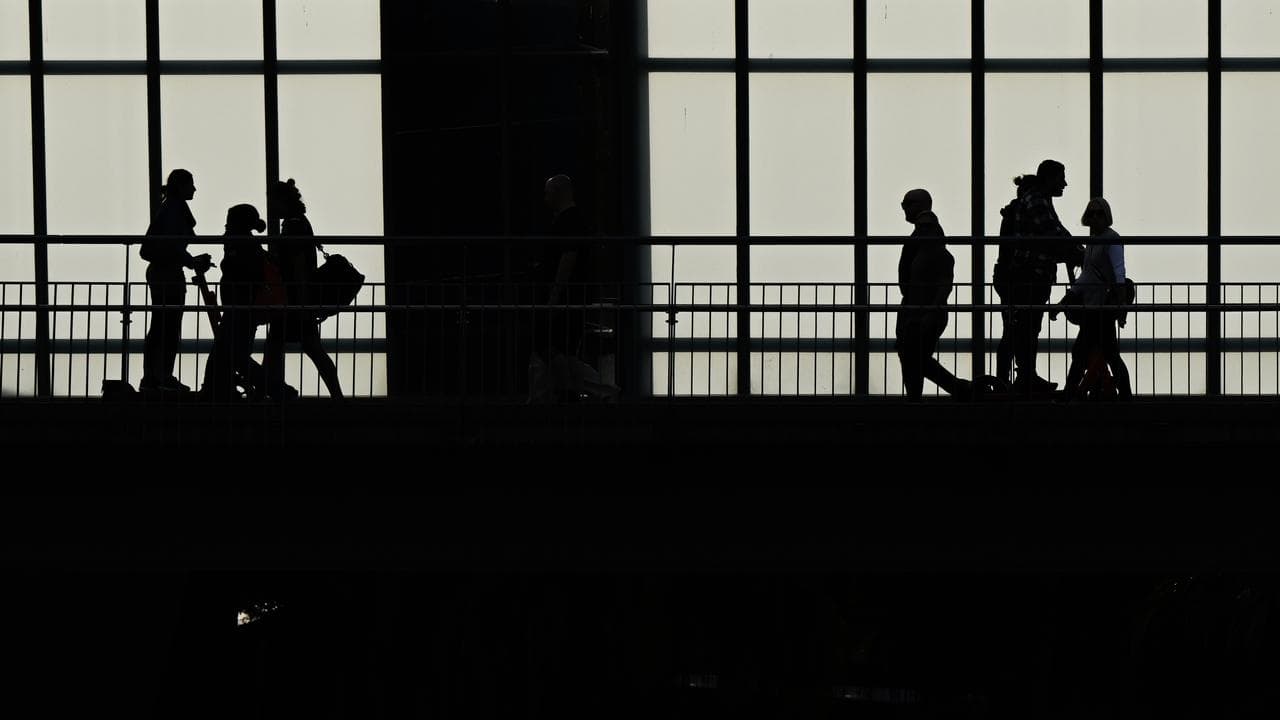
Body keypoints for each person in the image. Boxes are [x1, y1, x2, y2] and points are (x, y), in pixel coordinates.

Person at [993, 159, 1084, 394]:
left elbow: (1054, 233)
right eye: (1060, 178)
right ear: (1048, 178)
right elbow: (1053, 232)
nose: (1064, 183)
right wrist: (1080, 252)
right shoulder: (1037, 200)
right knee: (1022, 329)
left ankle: (1020, 379)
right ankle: (1018, 380)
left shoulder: (1036, 198)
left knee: (1022, 329)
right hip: (1028, 276)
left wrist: (1074, 249)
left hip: (1025, 276)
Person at [266, 179, 344, 399]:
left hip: (293, 298)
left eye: (274, 202)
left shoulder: (293, 225)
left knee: (275, 348)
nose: (272, 207)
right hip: (298, 298)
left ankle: (265, 394)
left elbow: (297, 265)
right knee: (310, 348)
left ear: (283, 201)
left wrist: (299, 301)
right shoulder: (300, 222)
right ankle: (337, 396)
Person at [895, 189, 973, 400]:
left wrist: (931, 308)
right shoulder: (930, 242)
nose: (903, 208)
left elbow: (941, 279)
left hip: (921, 307)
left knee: (913, 357)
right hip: (919, 306)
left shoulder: (926, 241)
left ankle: (957, 389)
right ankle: (957, 389)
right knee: (915, 357)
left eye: (907, 203)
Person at [200, 204, 283, 401]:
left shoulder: (238, 242)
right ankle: (217, 388)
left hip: (239, 304)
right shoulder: (249, 243)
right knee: (233, 349)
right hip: (247, 304)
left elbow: (240, 271)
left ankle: (274, 388)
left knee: (230, 351)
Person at [140, 169, 211, 392]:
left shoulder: (170, 207)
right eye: (191, 185)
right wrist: (190, 261)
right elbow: (171, 245)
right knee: (167, 326)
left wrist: (188, 260)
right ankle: (160, 376)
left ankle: (156, 376)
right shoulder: (173, 209)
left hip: (165, 271)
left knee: (163, 325)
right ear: (180, 187)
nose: (194, 189)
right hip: (167, 273)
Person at [1063, 198, 1132, 400]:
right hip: (1096, 306)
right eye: (1091, 213)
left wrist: (1121, 306)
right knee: (1109, 353)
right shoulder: (1094, 241)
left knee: (1083, 351)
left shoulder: (1110, 239)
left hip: (1101, 307)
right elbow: (1087, 275)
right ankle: (1125, 397)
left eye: (1099, 213)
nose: (1094, 217)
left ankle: (1069, 394)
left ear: (1106, 216)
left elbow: (1118, 273)